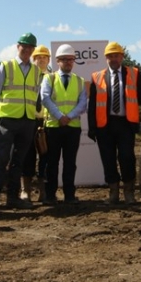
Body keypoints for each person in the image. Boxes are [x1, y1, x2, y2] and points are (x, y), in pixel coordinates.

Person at [88, 41, 141, 205]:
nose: (114, 59)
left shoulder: (133, 74)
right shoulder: (97, 77)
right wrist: (92, 128)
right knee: (108, 159)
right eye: (110, 56)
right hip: (105, 126)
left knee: (127, 157)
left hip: (126, 125)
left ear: (122, 57)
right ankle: (113, 193)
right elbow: (92, 106)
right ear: (106, 58)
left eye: (116, 56)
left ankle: (129, 193)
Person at [0, 32, 42, 214]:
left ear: (33, 50)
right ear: (18, 47)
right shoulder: (6, 67)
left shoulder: (36, 71)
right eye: (23, 46)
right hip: (8, 121)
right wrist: (2, 112)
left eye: (30, 47)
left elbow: (36, 95)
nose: (26, 50)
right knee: (2, 159)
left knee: (19, 160)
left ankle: (13, 197)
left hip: (27, 121)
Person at [41, 44, 87, 204]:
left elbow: (83, 103)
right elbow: (45, 98)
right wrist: (60, 116)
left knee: (70, 163)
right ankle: (50, 195)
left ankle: (69, 195)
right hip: (53, 127)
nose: (68, 62)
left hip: (72, 128)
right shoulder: (49, 78)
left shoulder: (79, 81)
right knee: (51, 162)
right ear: (57, 61)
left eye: (71, 59)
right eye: (64, 59)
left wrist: (69, 117)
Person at [20, 45, 52, 203]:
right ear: (34, 59)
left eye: (44, 57)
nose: (41, 60)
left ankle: (43, 191)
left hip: (45, 121)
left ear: (48, 60)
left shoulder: (53, 78)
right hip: (28, 120)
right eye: (38, 57)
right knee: (27, 156)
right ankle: (25, 190)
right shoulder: (28, 75)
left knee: (45, 158)